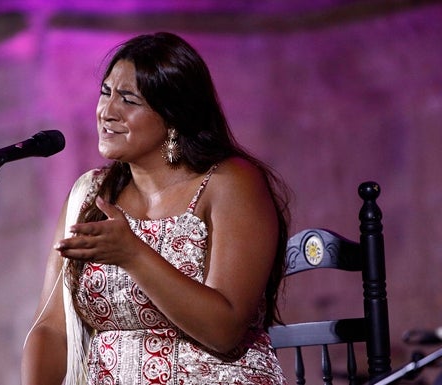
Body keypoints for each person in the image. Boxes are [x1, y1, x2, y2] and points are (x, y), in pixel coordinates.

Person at [21, 32, 291, 385]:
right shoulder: (90, 196)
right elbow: (51, 329)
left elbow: (223, 329)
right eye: (106, 93)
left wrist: (133, 254)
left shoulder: (230, 182)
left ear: (173, 115)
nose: (107, 112)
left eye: (128, 100)